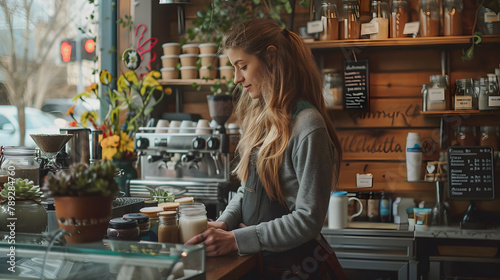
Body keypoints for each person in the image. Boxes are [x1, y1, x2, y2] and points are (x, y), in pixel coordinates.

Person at [185, 18, 344, 279]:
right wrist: (225, 223)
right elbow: (247, 191)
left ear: (271, 58)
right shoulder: (263, 121)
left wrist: (236, 240)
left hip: (297, 267)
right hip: (262, 262)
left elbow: (308, 220)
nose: (237, 78)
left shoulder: (308, 126)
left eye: (243, 66)